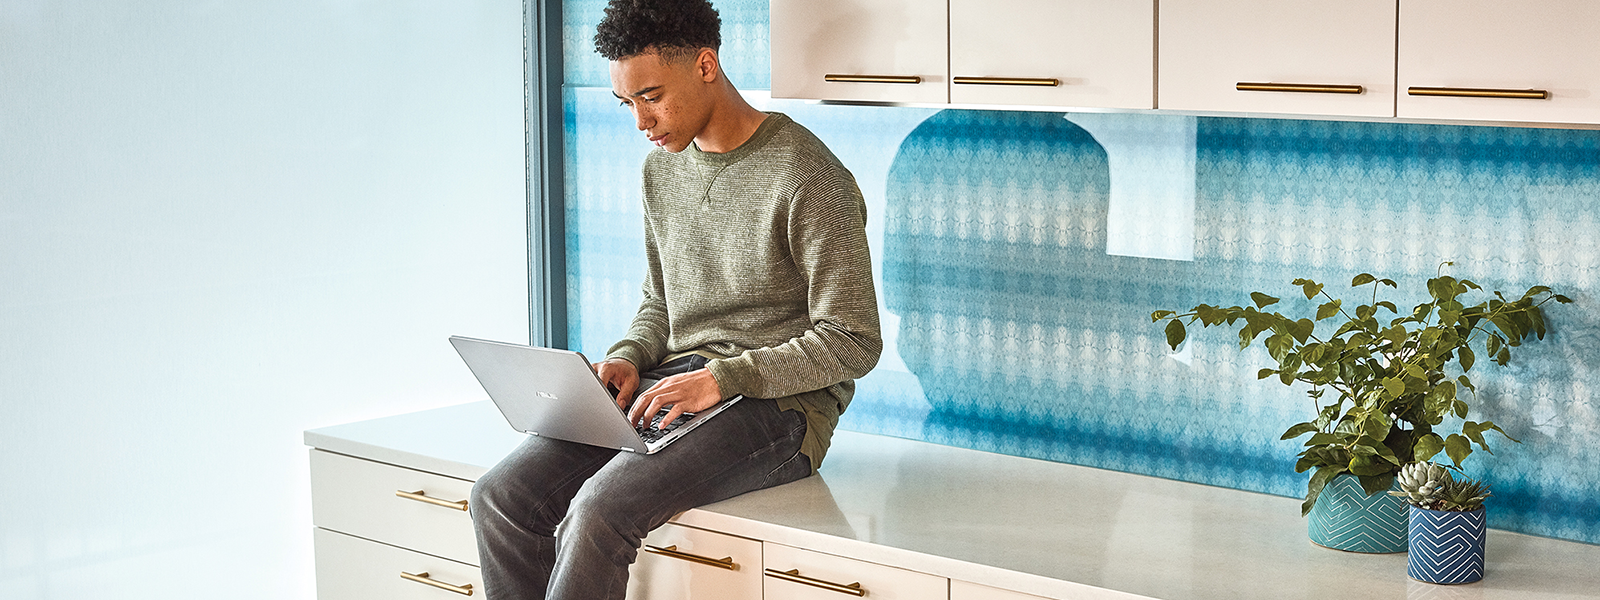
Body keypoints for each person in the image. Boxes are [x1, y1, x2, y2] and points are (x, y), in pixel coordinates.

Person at [467, 0, 883, 597]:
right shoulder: (660, 171)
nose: (641, 120)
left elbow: (854, 340)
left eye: (652, 96)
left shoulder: (806, 175)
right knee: (502, 496)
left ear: (706, 65)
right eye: (627, 103)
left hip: (782, 410)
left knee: (598, 511)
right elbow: (661, 301)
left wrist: (723, 377)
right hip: (674, 385)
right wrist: (630, 357)